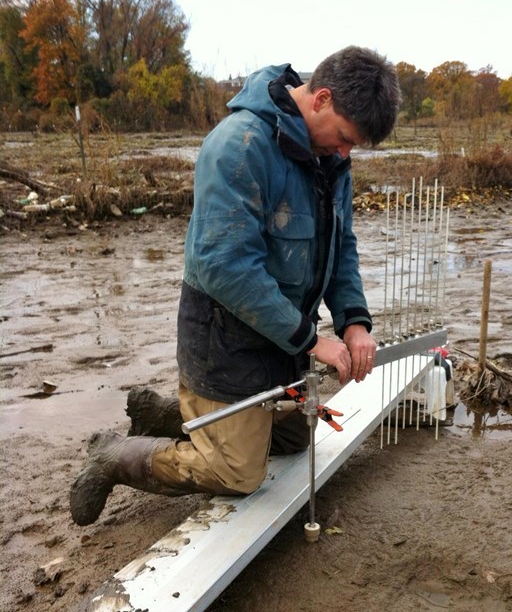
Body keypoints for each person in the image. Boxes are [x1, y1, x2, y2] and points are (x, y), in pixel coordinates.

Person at [70, 46, 401, 526]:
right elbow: (225, 267)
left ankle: (167, 413)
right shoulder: (240, 146)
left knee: (296, 438)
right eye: (346, 138)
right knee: (238, 473)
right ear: (322, 98)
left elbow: (340, 247)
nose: (347, 153)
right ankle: (113, 455)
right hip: (224, 342)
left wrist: (354, 323)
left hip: (279, 344)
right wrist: (313, 342)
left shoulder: (330, 162)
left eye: (355, 147)